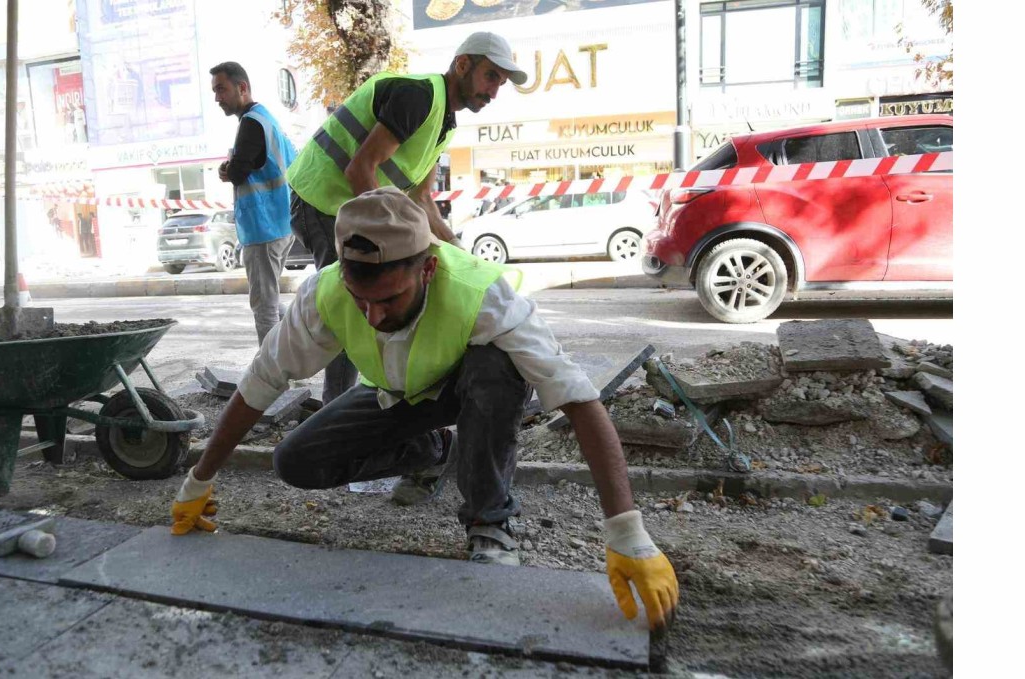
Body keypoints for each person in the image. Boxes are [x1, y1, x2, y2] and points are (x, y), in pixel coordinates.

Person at [170, 187, 680, 633]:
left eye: (389, 299)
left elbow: (577, 399)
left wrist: (627, 531)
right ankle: (434, 450)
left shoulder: (482, 294)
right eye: (360, 299)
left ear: (427, 267)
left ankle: (490, 521)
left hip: (472, 389)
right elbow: (259, 384)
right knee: (296, 462)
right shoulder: (324, 293)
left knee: (494, 370)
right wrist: (198, 480)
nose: (372, 316)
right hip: (399, 394)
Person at [284, 30, 528, 405]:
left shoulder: (443, 122)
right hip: (321, 201)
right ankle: (337, 411)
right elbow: (360, 169)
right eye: (491, 76)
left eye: (501, 83)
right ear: (463, 64)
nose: (495, 91)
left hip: (338, 204)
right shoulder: (421, 96)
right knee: (359, 298)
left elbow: (421, 199)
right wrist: (394, 238)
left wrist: (458, 251)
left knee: (387, 291)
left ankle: (383, 400)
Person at [210, 61, 298, 343]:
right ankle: (296, 355)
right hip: (281, 223)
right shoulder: (267, 118)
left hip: (263, 228)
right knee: (271, 303)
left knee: (264, 308)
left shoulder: (251, 123)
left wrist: (228, 169)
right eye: (215, 91)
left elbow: (238, 172)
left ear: (242, 87)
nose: (217, 98)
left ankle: (271, 381)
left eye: (221, 89)